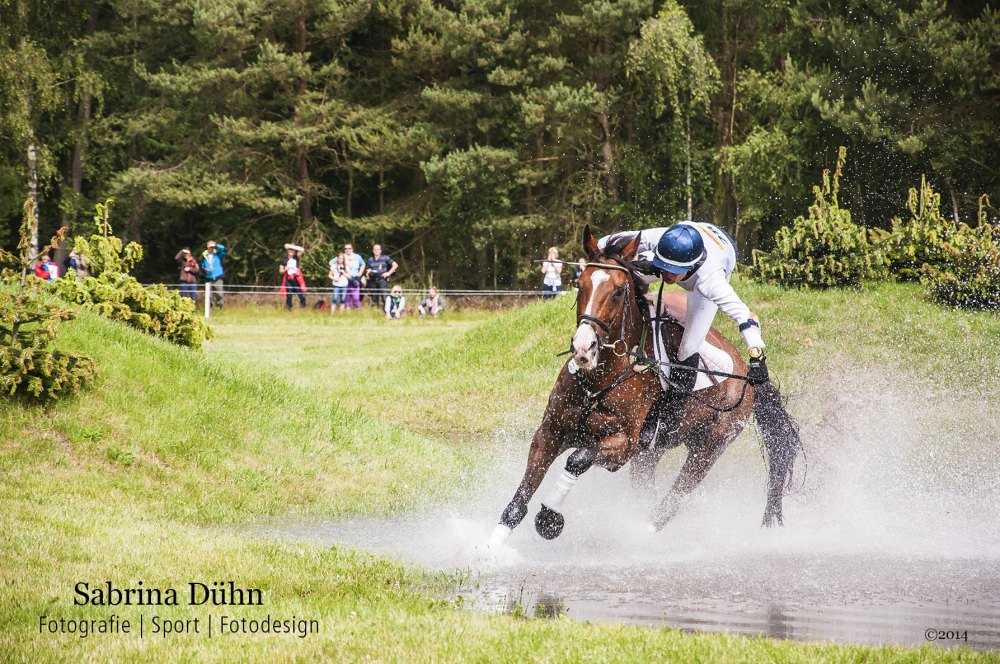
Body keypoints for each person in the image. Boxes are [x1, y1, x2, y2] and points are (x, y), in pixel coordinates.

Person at [598, 222, 768, 448]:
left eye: (673, 271)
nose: (666, 275)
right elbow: (604, 244)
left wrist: (757, 357)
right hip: (691, 235)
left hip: (719, 257)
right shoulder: (660, 238)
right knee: (620, 273)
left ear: (691, 266)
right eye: (663, 267)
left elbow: (746, 315)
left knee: (688, 347)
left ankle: (671, 416)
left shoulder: (711, 283)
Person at [365, 244, 398, 309]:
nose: (376, 251)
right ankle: (374, 314)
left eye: (378, 249)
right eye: (375, 249)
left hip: (383, 280)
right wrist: (369, 272)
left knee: (385, 298)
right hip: (373, 280)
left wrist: (388, 273)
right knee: (374, 298)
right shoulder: (370, 259)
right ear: (373, 250)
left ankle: (388, 312)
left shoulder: (385, 258)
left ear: (380, 251)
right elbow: (367, 269)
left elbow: (395, 265)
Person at [279, 243, 307, 309]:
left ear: (294, 251)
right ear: (287, 251)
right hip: (289, 280)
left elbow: (302, 250)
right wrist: (285, 269)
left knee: (301, 294)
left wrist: (291, 246)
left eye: (293, 250)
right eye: (290, 250)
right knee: (289, 295)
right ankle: (289, 309)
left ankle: (303, 308)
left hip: (297, 279)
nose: (291, 251)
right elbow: (280, 271)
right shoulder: (284, 259)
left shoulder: (296, 257)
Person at [201, 240, 227, 309]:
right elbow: (202, 266)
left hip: (218, 277)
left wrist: (216, 244)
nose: (212, 248)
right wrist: (204, 269)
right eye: (210, 247)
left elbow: (224, 249)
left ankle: (220, 309)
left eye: (213, 247)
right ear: (207, 247)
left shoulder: (218, 255)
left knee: (219, 294)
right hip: (208, 278)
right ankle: (210, 309)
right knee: (208, 295)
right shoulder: (204, 256)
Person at [342, 243, 365, 311]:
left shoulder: (357, 256)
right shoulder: (342, 256)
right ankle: (348, 313)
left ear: (352, 249)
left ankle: (357, 312)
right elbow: (331, 263)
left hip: (355, 279)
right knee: (346, 298)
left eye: (349, 248)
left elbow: (363, 264)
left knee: (356, 297)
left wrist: (360, 273)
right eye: (346, 249)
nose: (347, 250)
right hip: (345, 279)